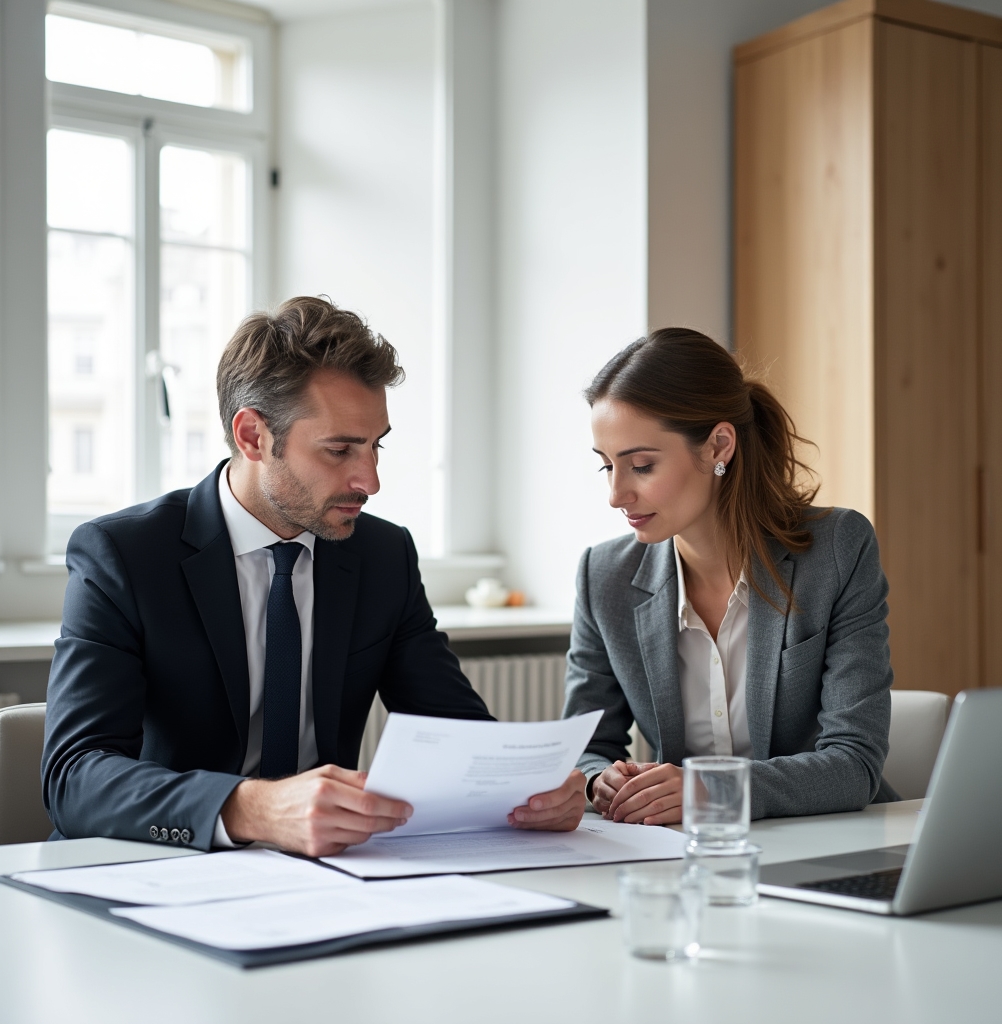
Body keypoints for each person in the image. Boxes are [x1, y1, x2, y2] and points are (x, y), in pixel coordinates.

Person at [43, 297, 586, 855]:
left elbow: (458, 733)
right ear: (253, 436)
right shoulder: (124, 555)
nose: (370, 480)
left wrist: (528, 788)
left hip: (326, 878)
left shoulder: (382, 554)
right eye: (339, 450)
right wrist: (252, 807)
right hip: (154, 867)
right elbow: (74, 777)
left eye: (376, 446)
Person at [562, 328, 897, 825]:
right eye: (606, 466)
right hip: (680, 853)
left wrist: (711, 790)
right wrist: (599, 781)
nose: (616, 494)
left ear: (719, 445)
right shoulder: (604, 576)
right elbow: (586, 748)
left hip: (827, 839)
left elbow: (854, 763)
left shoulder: (836, 550)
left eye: (641, 465)